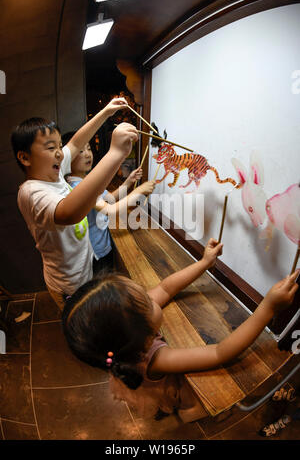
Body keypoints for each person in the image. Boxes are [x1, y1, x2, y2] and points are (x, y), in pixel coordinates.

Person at [62, 238, 299, 422]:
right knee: (185, 397)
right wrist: (268, 307)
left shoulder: (124, 335)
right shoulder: (157, 359)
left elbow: (166, 288)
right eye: (146, 300)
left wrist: (205, 263)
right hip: (156, 382)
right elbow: (220, 352)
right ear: (144, 337)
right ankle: (186, 410)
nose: (152, 295)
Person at [12, 98, 138, 310]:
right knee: (84, 331)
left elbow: (77, 143)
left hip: (84, 272)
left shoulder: (57, 173)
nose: (60, 152)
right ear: (25, 158)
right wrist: (115, 153)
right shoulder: (31, 192)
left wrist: (105, 112)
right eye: (51, 147)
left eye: (59, 146)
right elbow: (69, 213)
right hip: (68, 285)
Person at [64, 136, 155, 274]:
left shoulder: (87, 180)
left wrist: (128, 182)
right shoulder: (76, 187)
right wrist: (138, 192)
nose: (88, 154)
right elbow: (110, 210)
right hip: (95, 251)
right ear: (67, 159)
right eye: (81, 151)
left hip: (102, 244)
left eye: (89, 148)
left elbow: (108, 198)